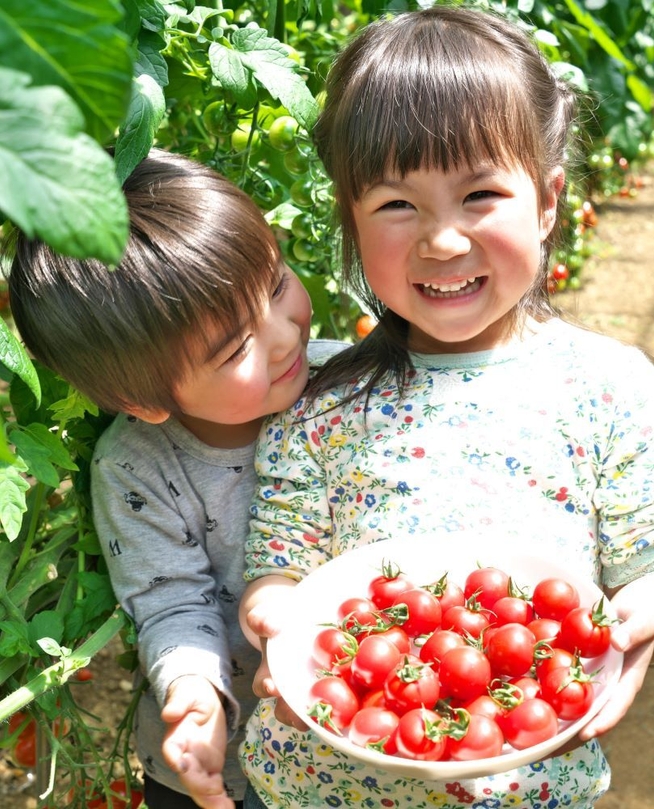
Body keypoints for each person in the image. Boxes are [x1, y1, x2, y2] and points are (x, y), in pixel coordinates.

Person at [239, 6, 654, 808]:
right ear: (350, 222)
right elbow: (278, 557)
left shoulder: (610, 386)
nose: (442, 240)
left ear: (547, 202)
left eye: (481, 194)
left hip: (532, 774)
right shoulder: (319, 400)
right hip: (326, 779)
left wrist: (633, 624)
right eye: (397, 205)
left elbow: (645, 558)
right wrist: (281, 622)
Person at [6, 148, 342, 809]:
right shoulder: (137, 465)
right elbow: (171, 603)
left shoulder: (352, 386)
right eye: (235, 347)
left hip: (358, 738)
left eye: (275, 284)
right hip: (231, 761)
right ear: (147, 401)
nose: (283, 335)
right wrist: (194, 698)